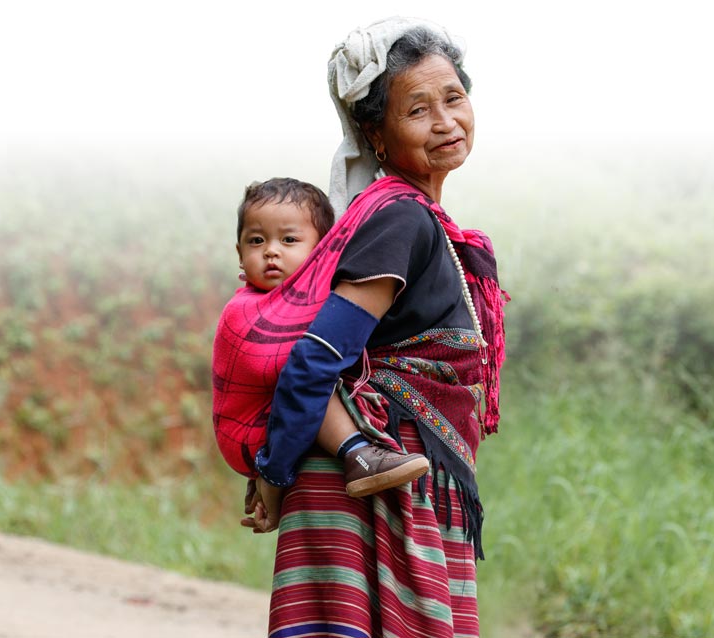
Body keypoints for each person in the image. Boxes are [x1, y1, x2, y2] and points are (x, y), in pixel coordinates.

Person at [242, 18, 509, 638]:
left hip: (403, 485)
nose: (445, 121)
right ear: (375, 134)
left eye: (454, 97)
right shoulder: (400, 220)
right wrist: (276, 470)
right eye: (418, 109)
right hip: (362, 489)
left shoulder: (423, 221)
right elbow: (315, 358)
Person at [211, 178, 431, 500]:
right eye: (256, 241)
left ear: (320, 252)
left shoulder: (307, 300)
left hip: (279, 428)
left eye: (288, 239)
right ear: (240, 254)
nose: (271, 251)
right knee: (316, 362)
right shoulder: (243, 309)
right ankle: (357, 454)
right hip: (248, 430)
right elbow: (294, 366)